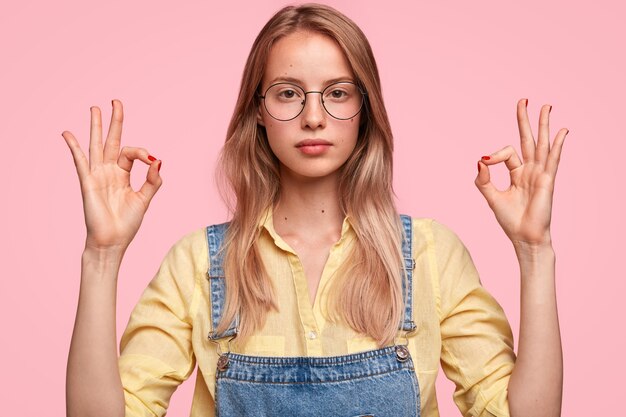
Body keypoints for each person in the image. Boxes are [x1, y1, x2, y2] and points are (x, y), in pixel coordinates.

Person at [63, 3, 565, 417]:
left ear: (365, 109)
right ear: (257, 111)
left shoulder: (432, 256)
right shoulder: (198, 264)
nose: (313, 117)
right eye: (287, 93)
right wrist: (101, 256)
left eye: (338, 93)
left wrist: (534, 251)